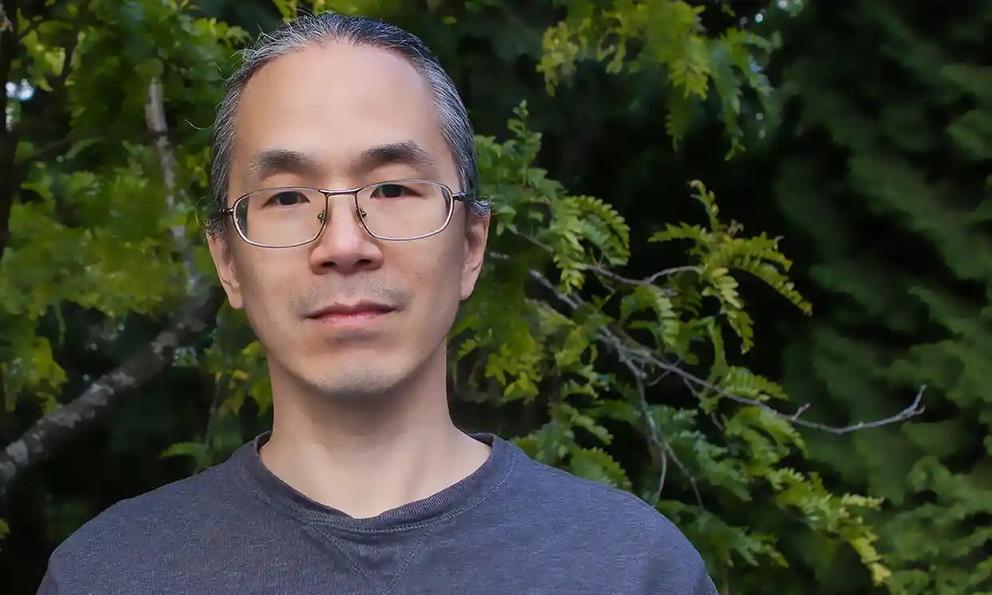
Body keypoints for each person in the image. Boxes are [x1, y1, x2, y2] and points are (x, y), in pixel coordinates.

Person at [37, 12, 717, 594]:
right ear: (227, 259)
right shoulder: (107, 574)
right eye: (287, 197)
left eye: (392, 189)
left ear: (472, 244)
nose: (343, 243)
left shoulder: (634, 571)